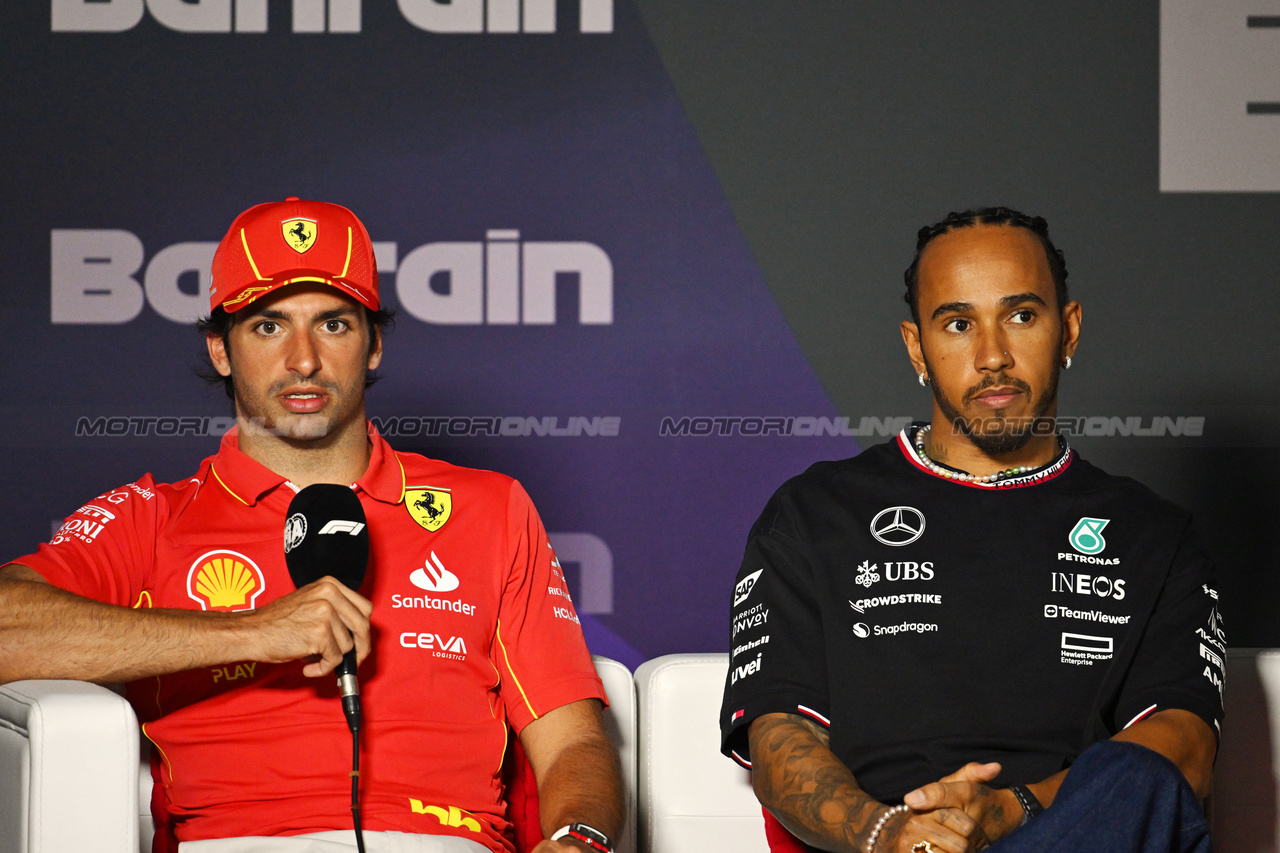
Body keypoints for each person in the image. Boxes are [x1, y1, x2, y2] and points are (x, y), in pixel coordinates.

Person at [0, 198, 623, 853]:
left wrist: (579, 839)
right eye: (269, 327)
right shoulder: (151, 517)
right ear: (220, 349)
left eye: (332, 324)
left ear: (373, 343)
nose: (303, 361)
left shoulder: (489, 507)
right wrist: (254, 630)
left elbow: (573, 740)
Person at [719, 207, 1223, 853]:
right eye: (958, 323)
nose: (992, 356)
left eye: (1021, 315)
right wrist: (897, 834)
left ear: (1067, 330)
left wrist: (1011, 811)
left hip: (1071, 835)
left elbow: (1182, 758)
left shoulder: (1155, 533)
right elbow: (780, 740)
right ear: (915, 346)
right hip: (891, 844)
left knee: (1135, 778)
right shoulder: (816, 513)